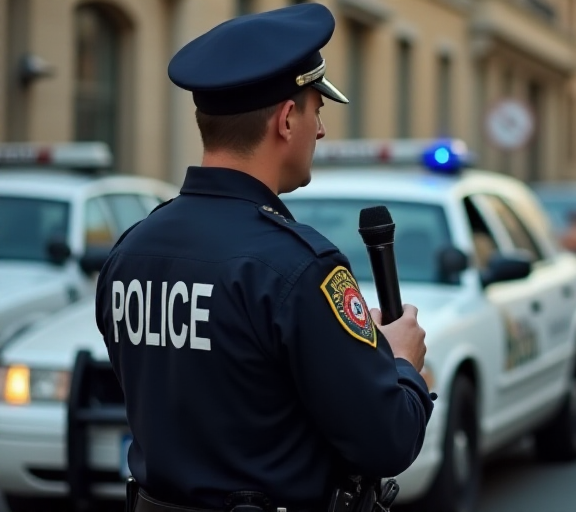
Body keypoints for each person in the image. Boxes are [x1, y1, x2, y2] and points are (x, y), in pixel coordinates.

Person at [93, 4, 433, 512]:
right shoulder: (300, 267)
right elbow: (387, 439)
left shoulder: (133, 248)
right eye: (318, 109)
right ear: (287, 118)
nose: (320, 131)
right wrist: (403, 364)